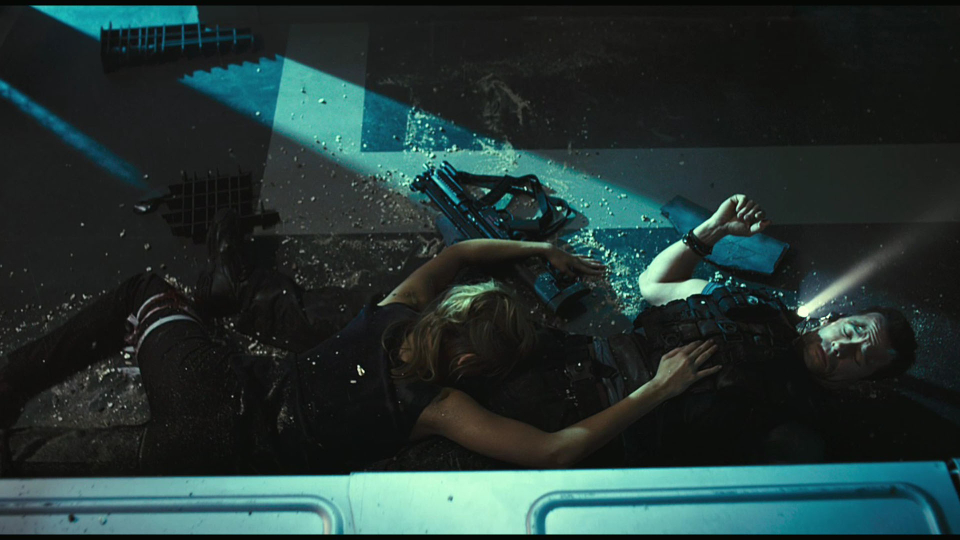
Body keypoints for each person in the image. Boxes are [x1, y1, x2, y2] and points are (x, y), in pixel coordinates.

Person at [0, 210, 722, 475]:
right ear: (472, 365)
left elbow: (460, 254)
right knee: (37, 463)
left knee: (144, 294)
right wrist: (659, 389)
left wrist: (539, 247)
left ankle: (9, 380)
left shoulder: (394, 312)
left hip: (219, 385)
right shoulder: (437, 406)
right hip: (216, 456)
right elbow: (556, 450)